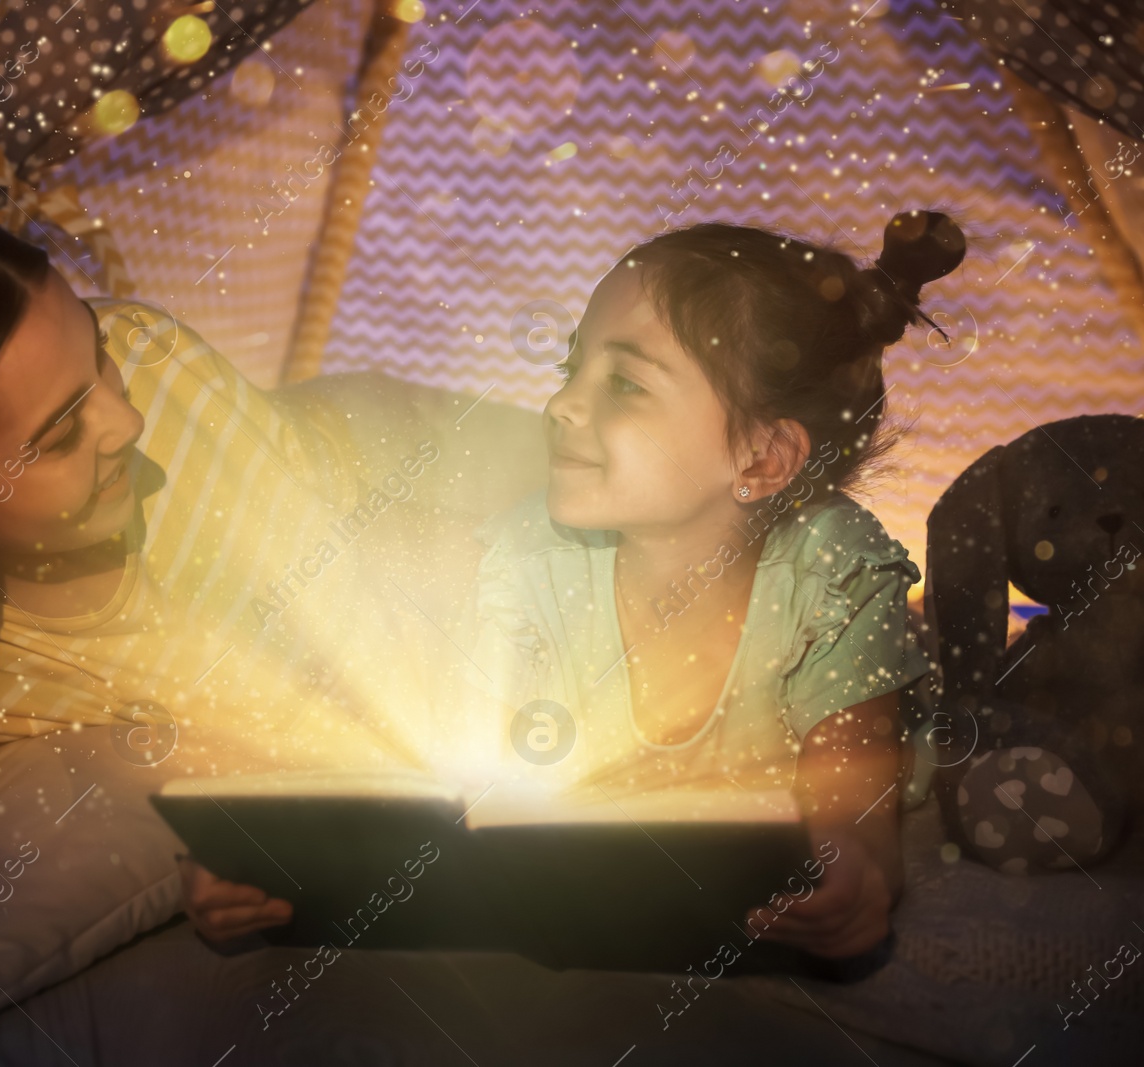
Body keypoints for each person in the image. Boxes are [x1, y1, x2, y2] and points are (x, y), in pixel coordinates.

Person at [0, 206, 486, 1025]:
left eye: (98, 355)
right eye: (58, 436)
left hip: (407, 452)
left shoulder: (162, 376)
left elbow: (388, 675)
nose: (127, 422)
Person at [183, 210, 965, 960]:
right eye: (571, 367)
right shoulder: (536, 554)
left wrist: (857, 864)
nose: (559, 405)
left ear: (760, 459)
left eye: (625, 385)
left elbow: (854, 776)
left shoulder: (833, 568)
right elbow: (458, 756)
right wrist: (282, 864)